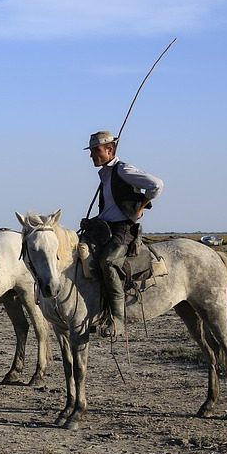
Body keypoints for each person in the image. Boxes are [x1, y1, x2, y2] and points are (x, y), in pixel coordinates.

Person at [81, 131, 164, 338]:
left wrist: (142, 205)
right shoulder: (105, 174)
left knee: (108, 262)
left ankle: (118, 320)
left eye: (96, 150)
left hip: (123, 229)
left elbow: (157, 184)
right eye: (91, 151)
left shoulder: (123, 170)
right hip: (105, 227)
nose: (92, 155)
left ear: (109, 150)